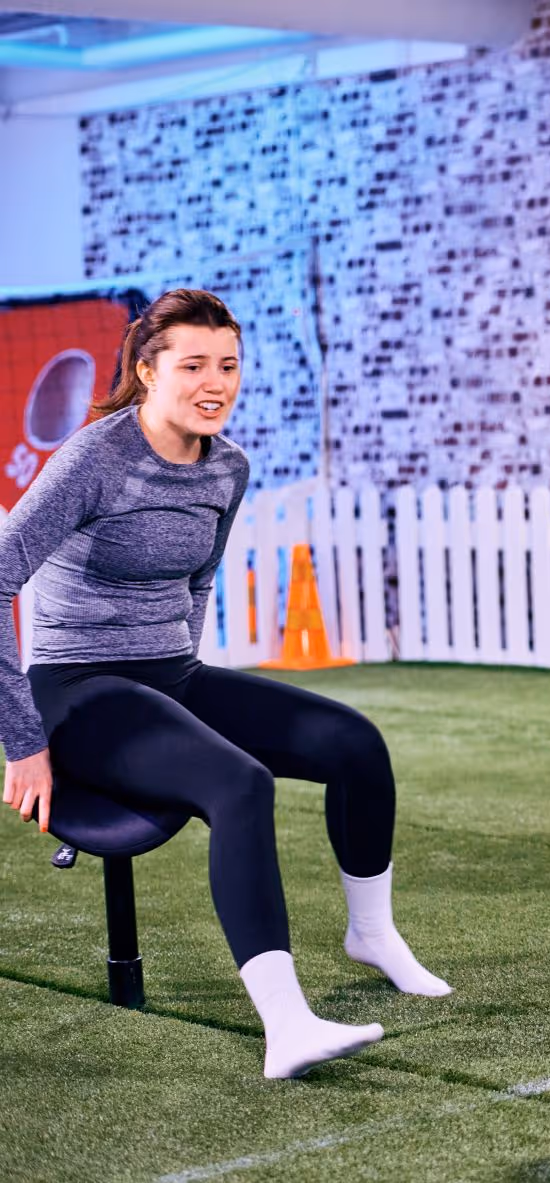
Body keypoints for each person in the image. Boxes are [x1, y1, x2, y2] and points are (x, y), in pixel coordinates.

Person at [0, 289, 448, 1080]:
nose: (215, 382)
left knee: (354, 743)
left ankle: (372, 934)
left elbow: (199, 580)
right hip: (78, 687)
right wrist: (23, 740)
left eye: (229, 365)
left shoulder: (227, 467)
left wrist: (186, 688)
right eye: (193, 365)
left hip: (170, 673)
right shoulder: (94, 460)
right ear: (148, 370)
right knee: (240, 782)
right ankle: (287, 1025)